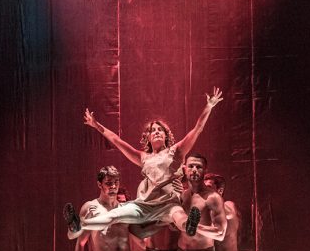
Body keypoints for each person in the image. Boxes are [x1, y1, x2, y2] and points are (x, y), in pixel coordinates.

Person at [63, 88, 223, 240]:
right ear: (148, 138)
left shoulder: (176, 151)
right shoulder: (143, 157)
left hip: (168, 204)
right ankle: (79, 225)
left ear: (166, 136)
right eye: (153, 130)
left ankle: (189, 226)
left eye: (160, 130)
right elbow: (116, 141)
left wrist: (208, 106)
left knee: (180, 217)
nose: (157, 132)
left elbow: (197, 129)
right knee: (114, 215)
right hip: (144, 205)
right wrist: (96, 125)